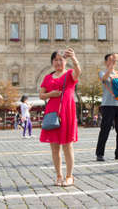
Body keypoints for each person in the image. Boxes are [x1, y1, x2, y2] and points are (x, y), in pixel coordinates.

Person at [39, 48, 81, 187]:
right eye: (55, 60)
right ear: (52, 62)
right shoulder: (48, 77)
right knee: (55, 147)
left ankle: (69, 176)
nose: (58, 62)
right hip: (52, 112)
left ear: (65, 61)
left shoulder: (69, 74)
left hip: (67, 111)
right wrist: (51, 94)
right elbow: (41, 95)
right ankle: (58, 176)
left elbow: (78, 72)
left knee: (67, 145)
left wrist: (74, 58)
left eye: (61, 59)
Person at [95, 53, 118, 162]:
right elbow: (105, 78)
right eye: (110, 60)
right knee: (105, 129)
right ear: (106, 62)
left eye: (114, 60)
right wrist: (110, 66)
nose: (113, 62)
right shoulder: (102, 72)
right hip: (107, 105)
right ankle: (100, 153)